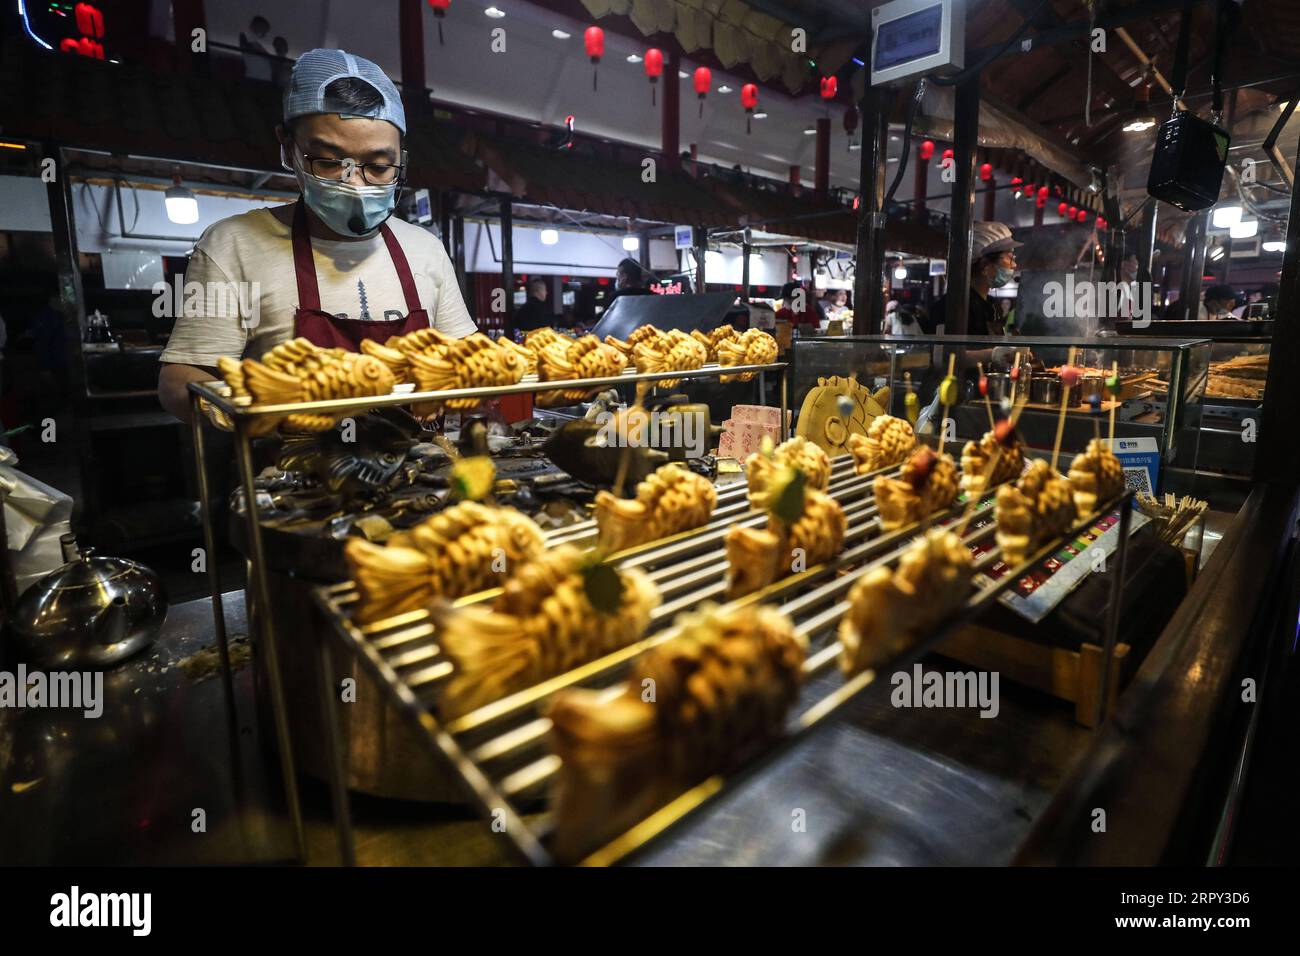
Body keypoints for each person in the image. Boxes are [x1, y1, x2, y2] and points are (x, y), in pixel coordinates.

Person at [158, 48, 476, 423]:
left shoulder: (425, 249)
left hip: (423, 470)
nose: (354, 183)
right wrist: (250, 412)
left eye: (377, 167)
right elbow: (179, 381)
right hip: (293, 472)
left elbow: (467, 359)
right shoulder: (232, 245)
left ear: (401, 161)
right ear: (287, 146)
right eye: (327, 161)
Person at [925, 221, 1021, 336]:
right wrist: (992, 354)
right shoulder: (953, 308)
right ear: (985, 265)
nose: (1014, 265)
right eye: (1010, 258)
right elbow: (945, 351)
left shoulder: (992, 306)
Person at [240, 16, 273, 82]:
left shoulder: (255, 42)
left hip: (260, 80)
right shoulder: (245, 37)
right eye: (264, 30)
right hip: (254, 79)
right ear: (258, 25)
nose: (264, 34)